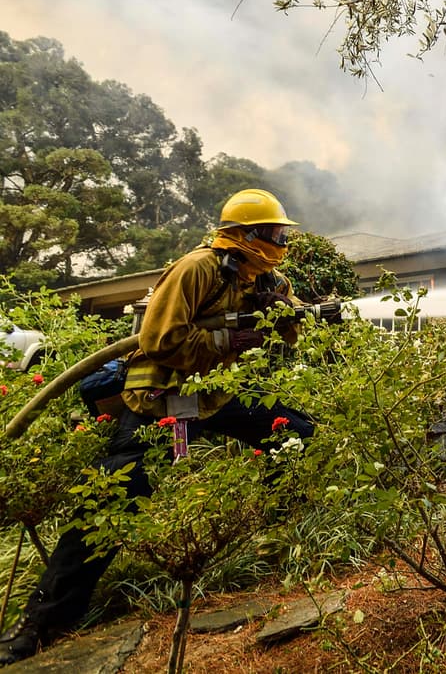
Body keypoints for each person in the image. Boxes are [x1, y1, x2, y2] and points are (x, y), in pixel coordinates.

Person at [0, 189, 317, 665]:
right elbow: (161, 339)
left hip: (218, 392)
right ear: (245, 235)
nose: (279, 240)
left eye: (280, 233)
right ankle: (38, 626)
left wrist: (286, 315)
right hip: (161, 398)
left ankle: (280, 544)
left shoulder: (268, 277)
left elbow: (288, 328)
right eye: (273, 232)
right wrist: (232, 337)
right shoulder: (197, 269)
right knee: (110, 502)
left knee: (295, 435)